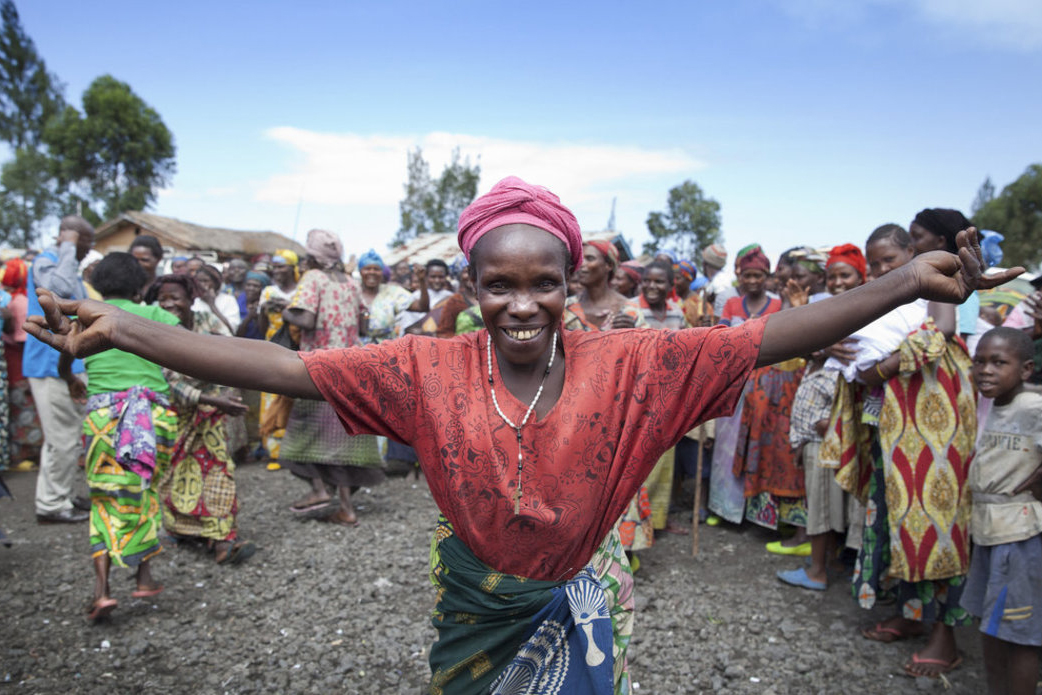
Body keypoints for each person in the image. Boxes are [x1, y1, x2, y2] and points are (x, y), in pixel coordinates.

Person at [26, 175, 1016, 694]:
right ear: (468, 287)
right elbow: (285, 367)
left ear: (567, 279)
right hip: (477, 603)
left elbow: (763, 337)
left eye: (542, 280)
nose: (522, 301)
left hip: (581, 595)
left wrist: (901, 281)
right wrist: (126, 325)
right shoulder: (422, 367)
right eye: (497, 283)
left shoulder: (632, 364)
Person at [823, 223, 976, 678]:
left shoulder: (935, 284)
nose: (882, 269)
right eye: (875, 263)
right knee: (894, 517)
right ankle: (910, 616)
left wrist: (884, 366)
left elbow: (943, 331)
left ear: (913, 253)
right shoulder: (877, 296)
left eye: (890, 260)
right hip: (886, 424)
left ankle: (944, 636)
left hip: (933, 422)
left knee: (937, 516)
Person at [58, 253, 179, 620]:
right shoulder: (159, 316)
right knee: (146, 491)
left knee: (104, 497)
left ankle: (102, 591)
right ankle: (143, 577)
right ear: (141, 286)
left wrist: (70, 378)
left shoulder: (86, 317)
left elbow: (65, 354)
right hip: (155, 416)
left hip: (105, 417)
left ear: (96, 284)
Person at [143, 274, 255, 565]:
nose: (169, 304)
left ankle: (223, 539)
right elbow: (168, 381)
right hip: (179, 413)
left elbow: (230, 346)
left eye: (175, 297)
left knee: (219, 470)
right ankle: (184, 529)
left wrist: (211, 305)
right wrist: (210, 398)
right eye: (163, 298)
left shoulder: (206, 320)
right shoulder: (156, 328)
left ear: (191, 299)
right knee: (176, 475)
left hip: (213, 414)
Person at [776, 243, 867, 591]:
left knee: (827, 505)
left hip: (831, 425)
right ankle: (824, 565)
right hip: (816, 426)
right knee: (822, 501)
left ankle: (819, 571)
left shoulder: (865, 312)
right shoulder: (826, 309)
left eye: (845, 275)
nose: (838, 282)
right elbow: (806, 350)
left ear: (862, 277)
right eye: (832, 276)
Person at [281, 230, 384, 526]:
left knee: (305, 429)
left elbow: (306, 319)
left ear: (314, 256)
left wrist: (284, 310)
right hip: (349, 368)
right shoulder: (351, 284)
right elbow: (363, 324)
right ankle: (345, 507)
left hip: (318, 367)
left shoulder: (313, 279)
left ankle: (318, 491)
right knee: (339, 436)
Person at [963, 326, 1042, 695]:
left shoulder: (1032, 406)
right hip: (989, 531)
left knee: (1020, 633)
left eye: (999, 362)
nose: (986, 370)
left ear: (1025, 370)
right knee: (990, 626)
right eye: (979, 361)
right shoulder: (994, 404)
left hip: (1020, 535)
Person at [24, 215, 94, 523]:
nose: (88, 250)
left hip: (67, 363)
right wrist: (67, 246)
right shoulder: (47, 262)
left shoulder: (64, 264)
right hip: (49, 364)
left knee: (67, 435)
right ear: (72, 239)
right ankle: (52, 505)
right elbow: (60, 291)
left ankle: (60, 494)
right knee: (62, 438)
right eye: (86, 242)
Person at [257, 250, 299, 467]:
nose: (277, 270)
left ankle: (293, 451)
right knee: (271, 397)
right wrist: (264, 311)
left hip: (296, 348)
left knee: (293, 399)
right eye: (274, 266)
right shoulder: (268, 292)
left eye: (282, 266)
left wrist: (287, 310)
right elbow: (262, 327)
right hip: (272, 345)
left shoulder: (301, 291)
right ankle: (274, 451)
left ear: (293, 268)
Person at [2, 258, 42, 467]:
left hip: (9, 362)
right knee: (24, 410)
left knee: (15, 410)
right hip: (20, 364)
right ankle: (23, 457)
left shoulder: (8, 299)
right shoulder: (21, 302)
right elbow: (23, 339)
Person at [192, 264, 240, 333]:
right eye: (199, 281)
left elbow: (232, 329)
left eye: (205, 281)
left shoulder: (228, 300)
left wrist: (212, 305)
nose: (201, 284)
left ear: (216, 282)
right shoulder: (194, 299)